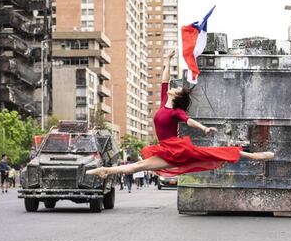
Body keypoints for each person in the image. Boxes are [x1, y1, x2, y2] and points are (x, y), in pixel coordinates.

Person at [87, 49, 275, 179]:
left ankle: (255, 157)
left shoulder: (176, 111)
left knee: (213, 152)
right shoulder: (163, 102)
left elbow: (189, 121)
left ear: (176, 97)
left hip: (177, 150)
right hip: (165, 150)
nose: (173, 88)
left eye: (176, 90)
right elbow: (165, 79)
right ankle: (106, 171)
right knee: (139, 166)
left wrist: (203, 128)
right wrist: (167, 61)